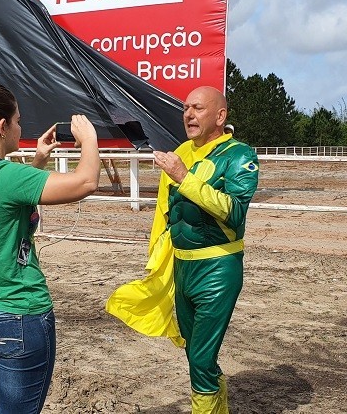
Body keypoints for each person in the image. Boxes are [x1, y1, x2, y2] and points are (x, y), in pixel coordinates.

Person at [0, 74, 100, 412]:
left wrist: (39, 159)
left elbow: (5, 204)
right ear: (2, 126)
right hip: (18, 313)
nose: (21, 127)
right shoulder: (7, 177)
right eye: (17, 121)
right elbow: (86, 182)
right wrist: (89, 139)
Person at [106, 86, 259, 413]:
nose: (188, 114)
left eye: (198, 108)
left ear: (220, 116)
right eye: (186, 108)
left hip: (217, 268)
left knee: (201, 358)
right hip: (182, 267)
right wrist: (156, 259)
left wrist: (183, 177)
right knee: (195, 353)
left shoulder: (239, 155)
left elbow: (234, 212)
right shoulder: (180, 152)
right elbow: (166, 214)